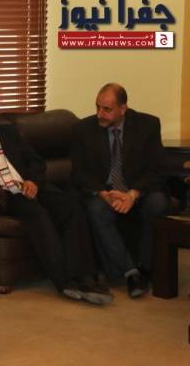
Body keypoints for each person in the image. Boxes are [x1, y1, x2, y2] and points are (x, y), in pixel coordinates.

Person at [0, 92, 113, 305]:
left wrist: (33, 182)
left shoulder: (6, 133)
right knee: (37, 214)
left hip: (32, 185)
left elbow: (36, 162)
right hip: (7, 195)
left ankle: (85, 276)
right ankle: (65, 281)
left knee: (71, 207)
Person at [71, 83, 169, 299]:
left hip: (137, 189)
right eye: (98, 107)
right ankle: (130, 272)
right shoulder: (83, 130)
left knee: (158, 202)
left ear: (123, 108)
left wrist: (133, 194)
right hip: (105, 192)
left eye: (107, 109)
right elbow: (79, 172)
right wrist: (102, 193)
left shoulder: (147, 125)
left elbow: (158, 169)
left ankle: (145, 268)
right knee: (95, 209)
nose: (100, 114)